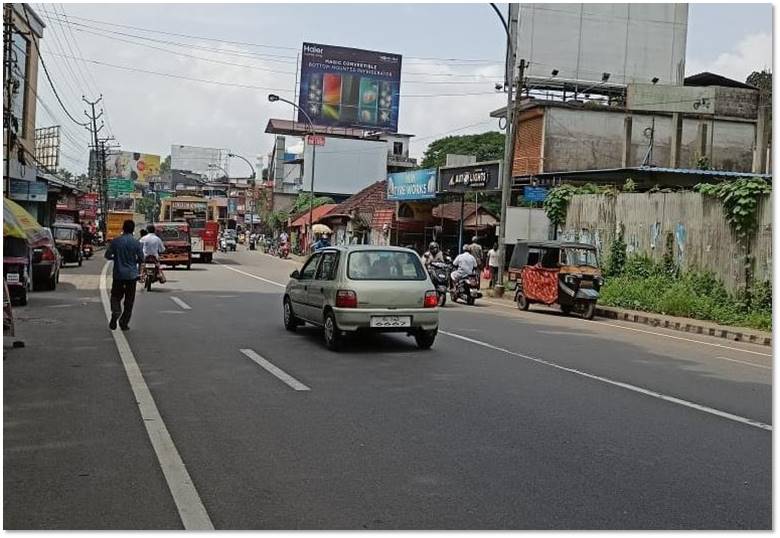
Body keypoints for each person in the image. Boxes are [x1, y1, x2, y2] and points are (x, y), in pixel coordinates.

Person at [104, 219, 145, 331]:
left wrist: (115, 257)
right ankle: (124, 322)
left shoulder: (116, 241)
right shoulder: (136, 243)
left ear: (123, 228)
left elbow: (107, 255)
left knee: (115, 296)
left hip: (118, 275)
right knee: (129, 301)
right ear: (132, 230)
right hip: (132, 276)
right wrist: (140, 273)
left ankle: (116, 312)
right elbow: (142, 259)